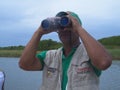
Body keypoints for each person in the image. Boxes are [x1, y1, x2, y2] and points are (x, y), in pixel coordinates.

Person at [19, 11, 112, 90]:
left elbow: (103, 62)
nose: (64, 29)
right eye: (59, 27)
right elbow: (25, 64)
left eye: (67, 24)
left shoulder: (90, 54)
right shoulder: (49, 56)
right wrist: (39, 32)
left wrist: (79, 28)